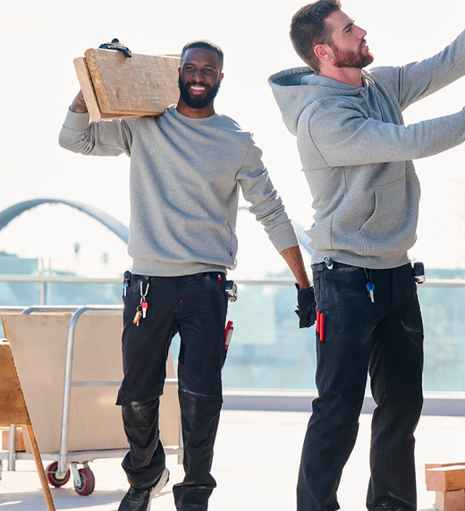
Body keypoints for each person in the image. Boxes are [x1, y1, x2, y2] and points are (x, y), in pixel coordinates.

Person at [269, 1, 465, 510]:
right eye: (350, 29)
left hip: (394, 275)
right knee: (338, 408)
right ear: (325, 50)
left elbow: (450, 63)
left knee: (401, 408)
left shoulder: (378, 86)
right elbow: (407, 141)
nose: (363, 30)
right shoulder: (321, 118)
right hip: (346, 281)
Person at [59, 39, 316, 511]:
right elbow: (74, 139)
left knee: (202, 398)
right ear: (178, 73)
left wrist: (305, 284)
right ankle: (146, 474)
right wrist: (91, 83)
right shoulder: (145, 124)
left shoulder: (237, 142)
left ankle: (195, 490)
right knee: (137, 394)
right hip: (147, 288)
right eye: (191, 68)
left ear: (221, 78)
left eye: (208, 70)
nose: (199, 76)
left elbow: (273, 213)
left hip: (205, 288)